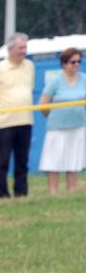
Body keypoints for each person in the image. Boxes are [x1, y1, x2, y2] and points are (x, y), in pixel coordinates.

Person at [0, 32, 35, 198]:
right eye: (20, 48)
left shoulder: (29, 66)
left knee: (22, 160)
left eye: (25, 48)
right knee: (3, 161)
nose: (23, 51)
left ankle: (21, 192)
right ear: (11, 49)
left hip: (25, 120)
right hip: (4, 122)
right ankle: (3, 194)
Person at [37, 47, 86, 194]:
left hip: (78, 125)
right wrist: (52, 116)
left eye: (79, 61)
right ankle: (53, 192)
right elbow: (43, 104)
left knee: (73, 160)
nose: (76, 65)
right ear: (64, 64)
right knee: (54, 160)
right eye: (73, 62)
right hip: (57, 127)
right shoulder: (56, 80)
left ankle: (71, 191)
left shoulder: (84, 79)